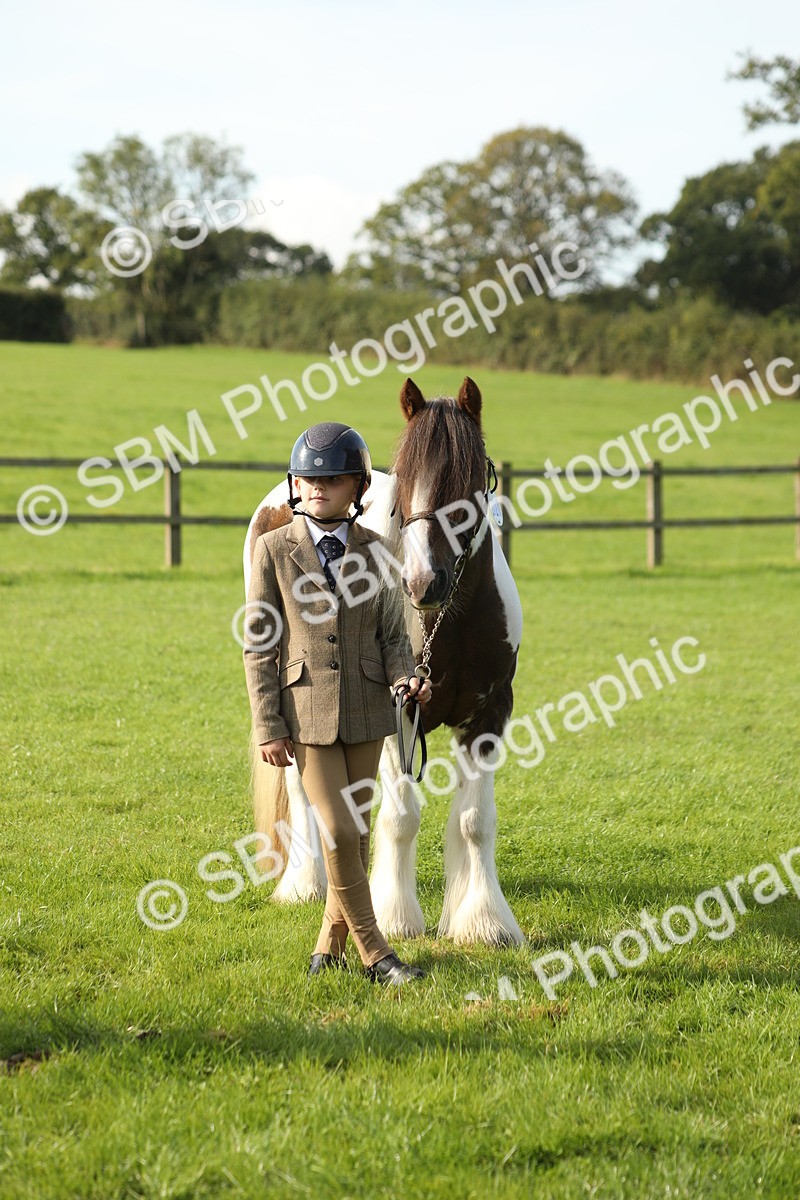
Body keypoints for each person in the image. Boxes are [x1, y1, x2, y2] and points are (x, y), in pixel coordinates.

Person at [243, 422, 432, 985]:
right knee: (342, 832)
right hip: (307, 716)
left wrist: (407, 678)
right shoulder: (274, 551)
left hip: (369, 710)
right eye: (307, 478)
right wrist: (268, 726)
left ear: (357, 489)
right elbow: (259, 644)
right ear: (295, 485)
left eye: (331, 479)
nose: (317, 487)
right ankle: (379, 957)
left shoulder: (378, 552)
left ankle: (327, 950)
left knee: (359, 832)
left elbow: (394, 637)